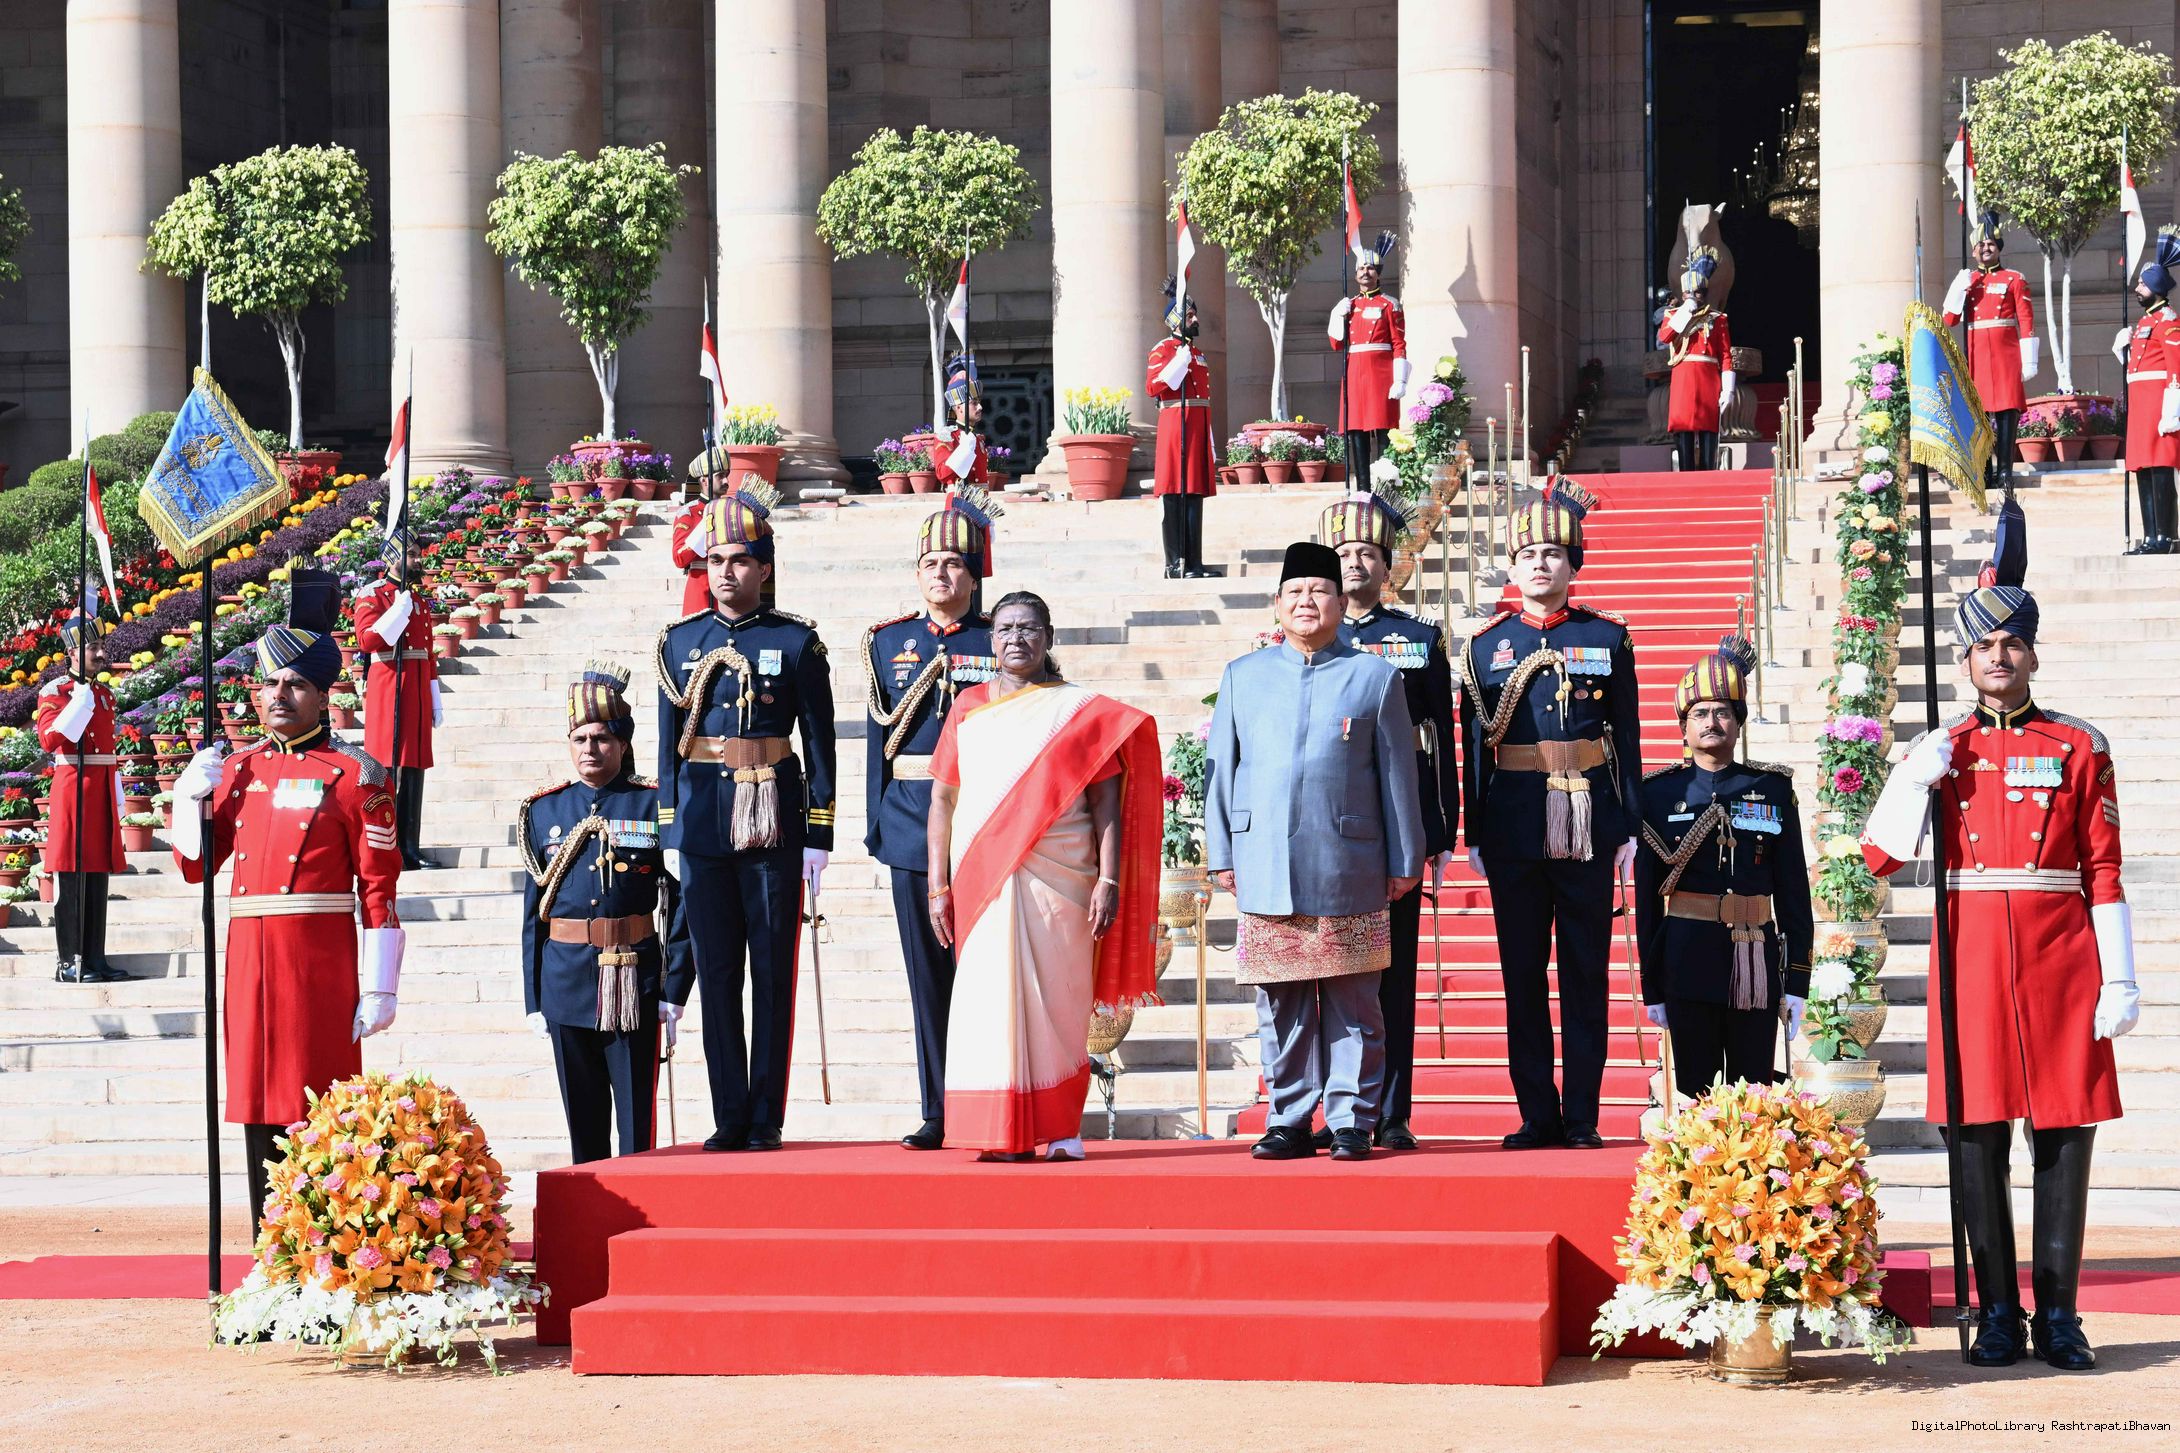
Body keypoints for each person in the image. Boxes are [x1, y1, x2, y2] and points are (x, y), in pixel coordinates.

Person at [1861, 508, 2135, 1371]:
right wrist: (1910, 780)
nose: (2001, 656)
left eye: (2014, 642)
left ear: (2033, 654)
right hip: (1971, 957)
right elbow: (1878, 857)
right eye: (1986, 645)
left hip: (2061, 957)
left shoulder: (2079, 745)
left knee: (2064, 1133)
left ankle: (2059, 1315)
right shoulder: (1944, 748)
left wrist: (2121, 977)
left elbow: (2103, 867)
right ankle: (1998, 1314)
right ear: (1966, 659)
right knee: (1975, 1136)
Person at [170, 568, 405, 1226]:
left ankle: (321, 1247)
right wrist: (188, 798)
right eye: (270, 683)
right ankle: (267, 1244)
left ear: (323, 695)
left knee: (316, 1103)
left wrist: (380, 985)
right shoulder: (237, 770)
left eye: (295, 683)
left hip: (316, 962)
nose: (279, 695)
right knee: (255, 1100)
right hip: (250, 958)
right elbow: (196, 867)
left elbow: (379, 885)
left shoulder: (355, 774)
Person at [1206, 542, 1425, 1163]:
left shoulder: (1375, 677)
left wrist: (1405, 859)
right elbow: (1222, 771)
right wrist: (1222, 851)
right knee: (1282, 1003)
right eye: (1295, 592)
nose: (1307, 601)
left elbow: (1397, 776)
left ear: (1340, 600)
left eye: (1320, 591)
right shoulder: (1243, 676)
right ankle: (1289, 1118)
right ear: (1278, 603)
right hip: (1265, 860)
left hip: (1350, 862)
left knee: (1356, 1002)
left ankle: (1352, 1119)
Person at [924, 591, 1161, 1162]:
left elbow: (1106, 803)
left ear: (1049, 637)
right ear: (991, 639)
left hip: (1064, 877)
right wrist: (937, 886)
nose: (1016, 639)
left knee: (1059, 1000)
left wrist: (1109, 879)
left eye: (1029, 628)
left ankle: (1060, 1127)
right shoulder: (968, 708)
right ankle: (996, 1130)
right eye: (1005, 628)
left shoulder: (1080, 712)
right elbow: (943, 800)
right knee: (988, 1001)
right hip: (982, 876)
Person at [1456, 479, 1641, 1149]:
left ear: (1573, 563)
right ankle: (1537, 1112)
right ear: (1511, 566)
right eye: (1528, 553)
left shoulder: (1608, 636)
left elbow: (1628, 737)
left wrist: (1628, 825)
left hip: (1589, 821)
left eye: (1553, 553)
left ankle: (1583, 1114)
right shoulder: (1486, 645)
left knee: (1586, 972)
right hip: (1515, 824)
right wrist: (1475, 830)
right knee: (1522, 973)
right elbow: (1475, 746)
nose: (1540, 564)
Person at [655, 476, 835, 1153]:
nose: (725, 572)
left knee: (772, 971)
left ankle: (767, 1114)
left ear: (764, 568)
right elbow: (667, 744)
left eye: (739, 560)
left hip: (774, 821)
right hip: (704, 822)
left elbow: (819, 742)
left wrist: (818, 832)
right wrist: (671, 827)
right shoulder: (680, 643)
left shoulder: (796, 643)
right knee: (718, 971)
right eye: (715, 560)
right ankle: (729, 1112)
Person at [862, 488, 1000, 1150]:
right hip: (913, 819)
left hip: (984, 818)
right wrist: (877, 824)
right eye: (930, 564)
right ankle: (938, 1107)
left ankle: (993, 1102)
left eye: (953, 564)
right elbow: (877, 743)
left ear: (973, 576)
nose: (940, 574)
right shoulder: (889, 642)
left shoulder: (999, 638)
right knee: (927, 973)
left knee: (989, 970)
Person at [1323, 491, 1459, 1149]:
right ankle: (1335, 1109)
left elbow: (1442, 743)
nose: (1355, 563)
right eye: (1344, 553)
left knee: (1394, 972)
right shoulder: (1306, 639)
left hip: (1397, 824)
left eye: (1367, 553)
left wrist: (1442, 830)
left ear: (1388, 564)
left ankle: (1393, 1110)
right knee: (1327, 972)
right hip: (1328, 829)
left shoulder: (1419, 639)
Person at [520, 660, 694, 1164]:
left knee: (636, 1124)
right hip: (565, 980)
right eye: (579, 739)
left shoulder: (653, 805)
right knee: (583, 1121)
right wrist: (533, 997)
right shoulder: (543, 810)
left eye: (601, 738)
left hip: (634, 976)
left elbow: (682, 902)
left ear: (622, 743)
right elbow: (534, 914)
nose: (589, 749)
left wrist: (674, 988)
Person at [1635, 636, 1811, 1102]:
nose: (1711, 722)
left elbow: (1794, 891)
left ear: (1738, 722)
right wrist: (1652, 987)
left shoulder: (1771, 789)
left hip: (1755, 960)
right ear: (1683, 727)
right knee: (1697, 1097)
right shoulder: (1657, 793)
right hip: (1686, 959)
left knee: (1755, 1094)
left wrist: (1797, 980)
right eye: (1699, 714)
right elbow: (1647, 899)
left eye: (1723, 713)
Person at [37, 613, 128, 984]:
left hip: (100, 790)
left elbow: (106, 750)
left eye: (101, 646)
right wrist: (78, 703)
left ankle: (94, 957)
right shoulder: (56, 692)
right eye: (93, 647)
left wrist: (116, 790)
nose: (101, 653)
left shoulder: (103, 694)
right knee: (71, 875)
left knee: (97, 873)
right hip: (73, 791)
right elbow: (49, 740)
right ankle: (68, 962)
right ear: (73, 653)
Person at [352, 529, 439, 869]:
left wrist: (434, 695)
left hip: (416, 689)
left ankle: (410, 847)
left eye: (418, 554)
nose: (417, 560)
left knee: (415, 768)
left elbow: (427, 652)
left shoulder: (417, 600)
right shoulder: (373, 595)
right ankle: (386, 846)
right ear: (392, 558)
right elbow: (367, 640)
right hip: (389, 686)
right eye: (411, 554)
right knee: (388, 769)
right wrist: (396, 615)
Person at [1943, 211, 2038, 496]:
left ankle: (2005, 470)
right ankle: (1984, 470)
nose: (1986, 249)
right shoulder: (1968, 280)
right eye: (1980, 245)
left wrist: (2029, 358)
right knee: (1979, 414)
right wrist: (1958, 290)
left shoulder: (2013, 279)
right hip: (1977, 355)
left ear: (1999, 248)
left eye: (1991, 244)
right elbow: (1949, 320)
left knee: (2007, 412)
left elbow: (2026, 319)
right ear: (1973, 251)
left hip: (2005, 354)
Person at [2112, 223, 2180, 554]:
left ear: (2156, 288)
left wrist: (2172, 410)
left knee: (2161, 471)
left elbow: (2175, 369)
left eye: (2142, 284)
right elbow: (2138, 365)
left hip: (2158, 406)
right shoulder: (2144, 323)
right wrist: (2122, 348)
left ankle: (2167, 537)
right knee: (2142, 469)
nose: (2137, 288)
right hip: (2141, 405)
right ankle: (2150, 537)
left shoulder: (2168, 322)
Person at [1328, 230, 1408, 489]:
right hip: (1354, 374)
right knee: (1356, 432)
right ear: (1355, 275)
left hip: (1381, 375)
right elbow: (1337, 343)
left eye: (1371, 268)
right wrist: (1336, 316)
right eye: (1361, 268)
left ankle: (1385, 487)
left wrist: (1400, 379)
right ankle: (1362, 489)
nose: (1366, 272)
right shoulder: (1349, 306)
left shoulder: (1390, 304)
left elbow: (1398, 343)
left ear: (1378, 273)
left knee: (1385, 430)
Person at [1147, 282, 1216, 579]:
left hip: (1197, 425)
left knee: (1194, 494)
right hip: (1176, 425)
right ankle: (1175, 563)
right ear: (1175, 321)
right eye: (1189, 316)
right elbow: (1154, 386)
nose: (1195, 320)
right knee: (1175, 493)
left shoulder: (1197, 352)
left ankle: (1195, 563)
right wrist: (1178, 362)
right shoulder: (1163, 350)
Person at [1656, 245, 1734, 473]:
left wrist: (1728, 389)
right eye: (1690, 293)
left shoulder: (1717, 319)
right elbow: (1665, 337)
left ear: (1705, 293)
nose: (1695, 297)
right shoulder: (1673, 315)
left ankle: (1709, 474)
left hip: (1708, 378)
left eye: (1698, 293)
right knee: (1684, 427)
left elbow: (1725, 354)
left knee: (1709, 428)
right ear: (1683, 295)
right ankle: (1686, 475)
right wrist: (1685, 310)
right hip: (1683, 377)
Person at [670, 465, 734, 616]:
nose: (726, 481)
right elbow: (679, 558)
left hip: (730, 587)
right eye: (720, 476)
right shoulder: (689, 513)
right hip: (701, 590)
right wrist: (705, 526)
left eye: (726, 476)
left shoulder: (732, 509)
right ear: (704, 480)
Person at [930, 352, 992, 488]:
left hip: (980, 500)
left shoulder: (978, 439)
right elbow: (942, 474)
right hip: (958, 500)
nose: (980, 407)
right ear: (959, 408)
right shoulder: (947, 436)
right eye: (974, 403)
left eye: (979, 402)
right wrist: (963, 450)